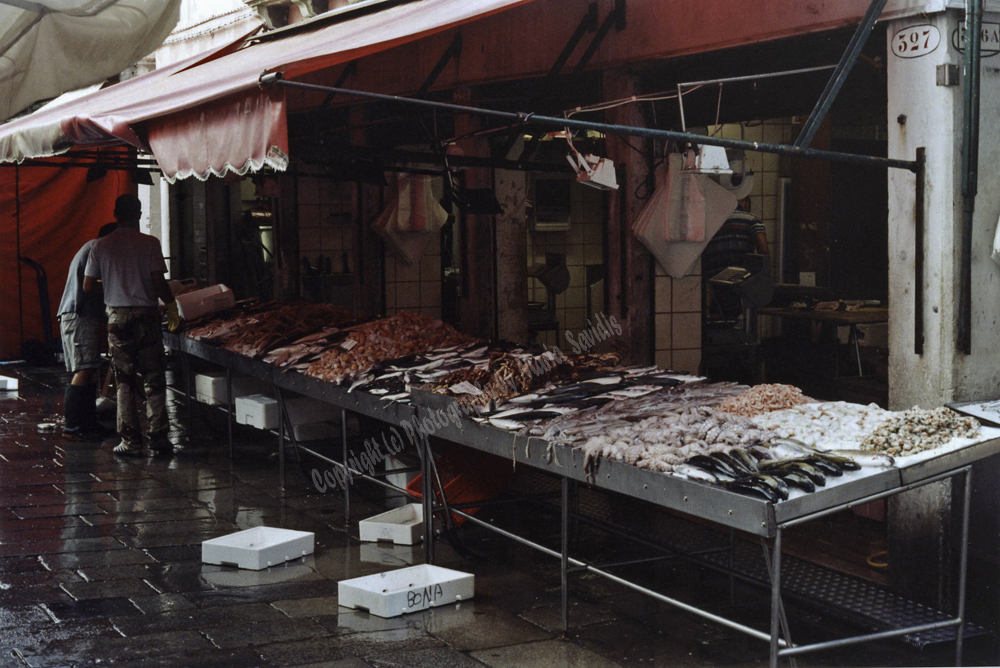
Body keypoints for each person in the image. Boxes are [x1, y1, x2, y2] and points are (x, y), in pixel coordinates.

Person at [83, 194, 180, 456]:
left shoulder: (100, 246)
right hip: (147, 315)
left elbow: (88, 285)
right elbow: (158, 281)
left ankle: (130, 442)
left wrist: (113, 283)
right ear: (138, 215)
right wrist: (171, 305)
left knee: (124, 380)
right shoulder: (149, 243)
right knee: (154, 378)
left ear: (115, 214)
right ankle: (159, 439)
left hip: (117, 318)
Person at [57, 222, 117, 440]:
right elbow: (90, 285)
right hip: (79, 315)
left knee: (89, 369)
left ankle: (88, 424)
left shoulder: (93, 247)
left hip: (84, 315)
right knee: (83, 369)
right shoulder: (96, 248)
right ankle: (73, 427)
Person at [702, 196, 769, 319]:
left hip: (716, 279)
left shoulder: (710, 222)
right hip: (740, 279)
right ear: (746, 202)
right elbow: (763, 251)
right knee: (740, 321)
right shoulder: (752, 220)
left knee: (720, 316)